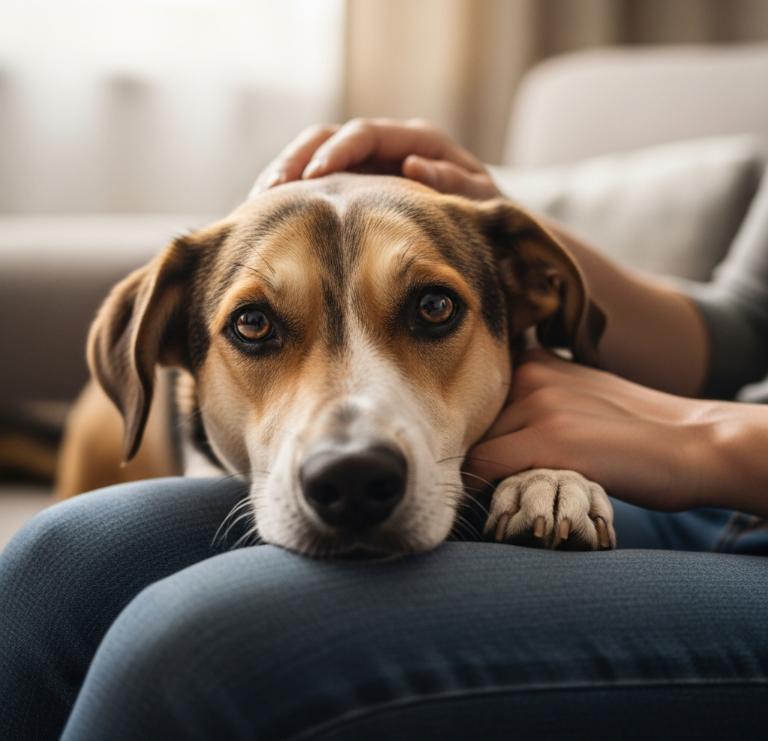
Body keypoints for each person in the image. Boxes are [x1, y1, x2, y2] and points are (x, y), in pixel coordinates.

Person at [1, 119, 767, 740]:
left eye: (431, 310)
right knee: (57, 563)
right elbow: (746, 328)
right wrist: (486, 218)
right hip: (689, 507)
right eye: (258, 324)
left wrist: (707, 440)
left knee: (193, 654)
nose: (349, 446)